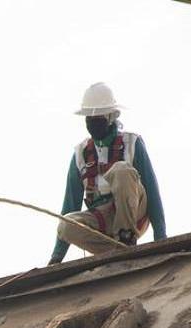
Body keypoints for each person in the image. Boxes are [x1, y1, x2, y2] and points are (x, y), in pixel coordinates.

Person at [49, 82, 167, 264]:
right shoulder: (81, 154)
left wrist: (161, 238)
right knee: (66, 224)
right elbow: (69, 204)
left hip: (134, 213)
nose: (92, 122)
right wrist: (56, 258)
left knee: (121, 171)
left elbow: (152, 190)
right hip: (103, 221)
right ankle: (117, 250)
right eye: (89, 117)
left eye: (98, 117)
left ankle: (126, 236)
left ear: (111, 117)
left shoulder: (132, 143)